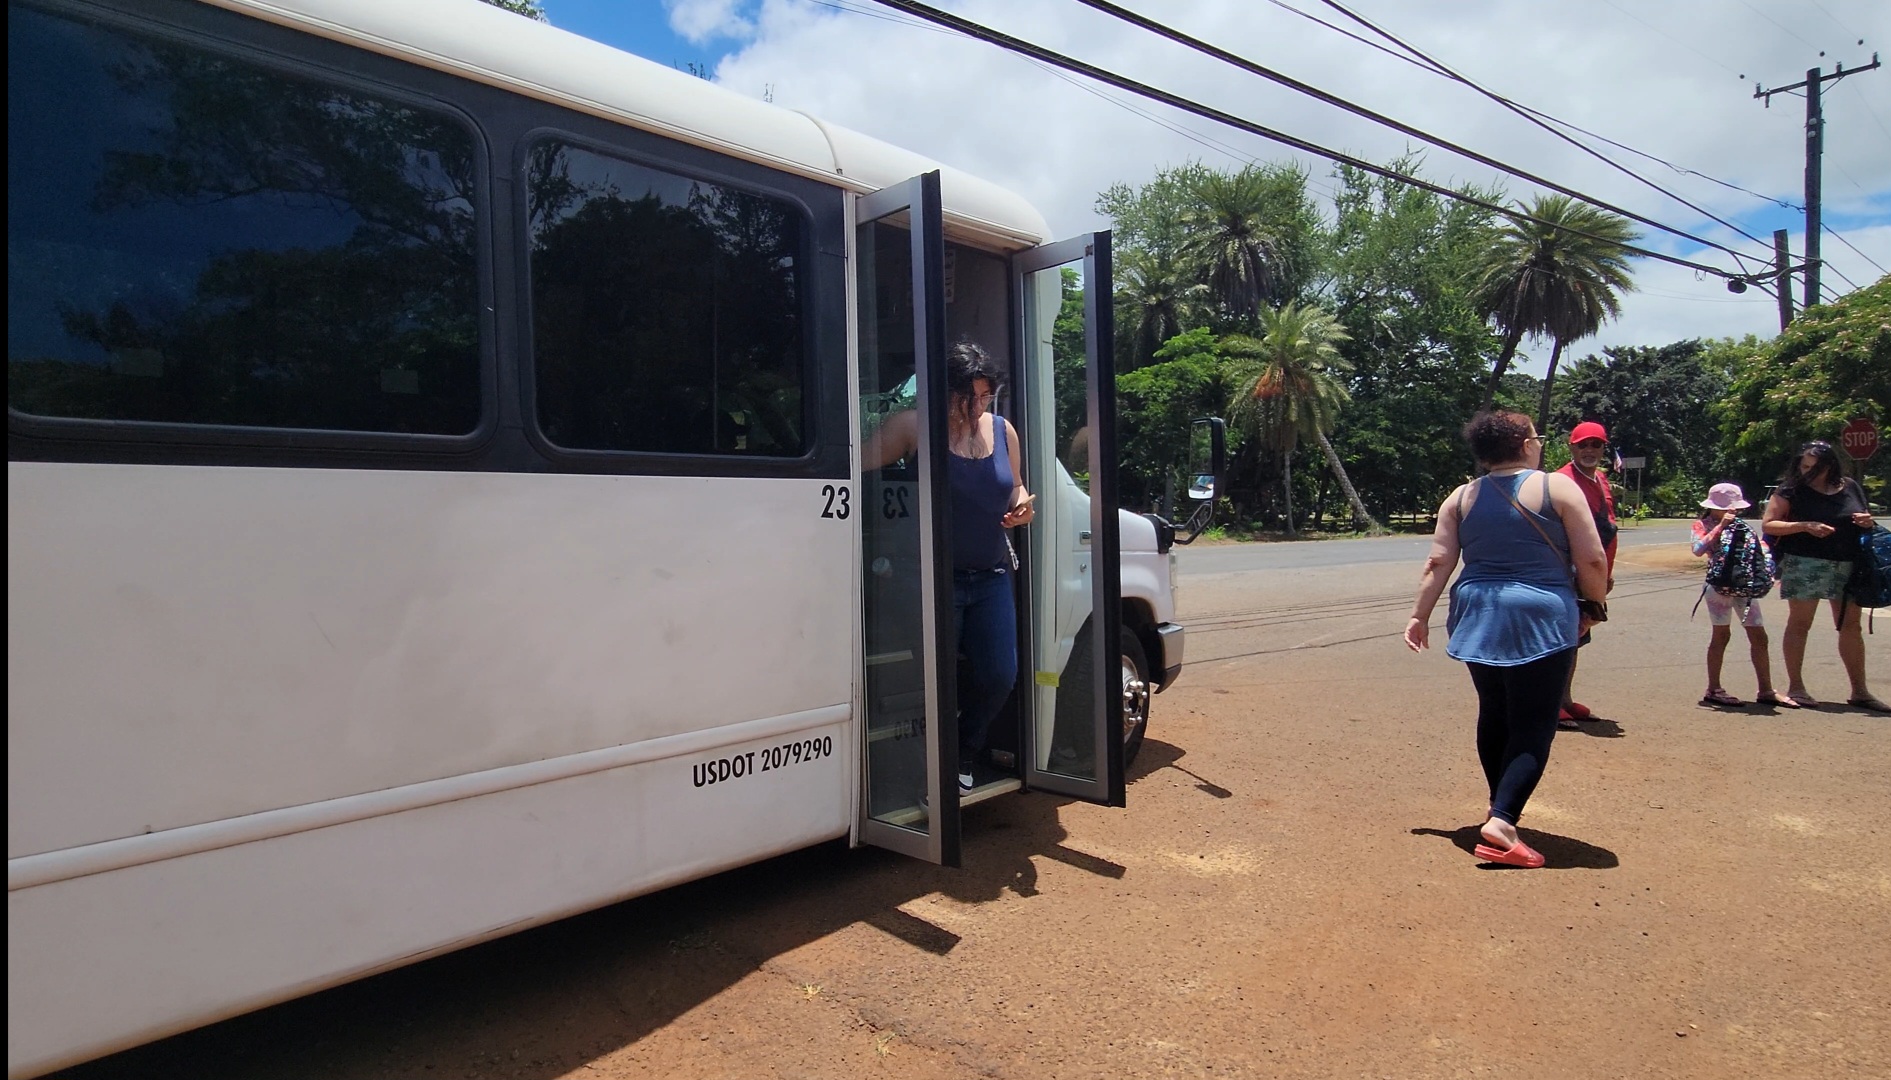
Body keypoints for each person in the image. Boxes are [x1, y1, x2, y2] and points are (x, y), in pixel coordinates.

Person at [1405, 411, 1610, 869]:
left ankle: (1499, 803)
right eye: (1535, 437)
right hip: (1541, 615)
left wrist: (1419, 617)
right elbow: (1593, 559)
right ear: (1523, 443)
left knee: (1495, 712)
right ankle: (1503, 822)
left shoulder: (1460, 497)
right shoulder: (1557, 487)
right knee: (1533, 723)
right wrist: (1593, 606)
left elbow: (1438, 562)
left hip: (1478, 614)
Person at [863, 341, 1037, 790]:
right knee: (932, 677)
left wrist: (1022, 507)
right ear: (943, 391)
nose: (977, 407)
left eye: (985, 396)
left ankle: (962, 747)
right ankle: (926, 766)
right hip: (931, 578)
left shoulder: (1003, 431)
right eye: (968, 397)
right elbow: (853, 467)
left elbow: (1015, 486)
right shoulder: (913, 427)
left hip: (991, 576)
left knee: (1000, 674)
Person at [1761, 440, 1886, 712]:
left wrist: (1867, 521)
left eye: (1815, 467)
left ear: (1831, 465)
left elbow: (1863, 517)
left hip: (1849, 564)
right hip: (1805, 563)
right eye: (1805, 466)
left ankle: (1860, 691)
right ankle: (1797, 686)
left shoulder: (1850, 486)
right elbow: (1769, 524)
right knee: (1800, 624)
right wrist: (1804, 526)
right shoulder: (1791, 490)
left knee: (1851, 626)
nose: (1809, 471)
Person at [1690, 483, 1793, 709]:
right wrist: (1720, 527)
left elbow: (1761, 548)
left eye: (1734, 508)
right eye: (1725, 508)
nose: (1731, 512)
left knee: (1759, 636)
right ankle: (1714, 688)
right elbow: (1698, 549)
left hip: (1744, 587)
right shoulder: (1702, 524)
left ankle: (1766, 689)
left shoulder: (1742, 527)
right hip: (1718, 587)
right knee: (1721, 636)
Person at [1555, 421, 1618, 728]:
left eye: (1596, 445)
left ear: (1604, 449)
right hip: (1569, 574)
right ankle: (1552, 704)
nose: (1590, 450)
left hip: (1594, 573)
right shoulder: (1560, 481)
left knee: (1578, 637)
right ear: (1572, 448)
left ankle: (1565, 699)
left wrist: (1604, 577)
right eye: (1583, 445)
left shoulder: (1601, 480)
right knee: (1562, 638)